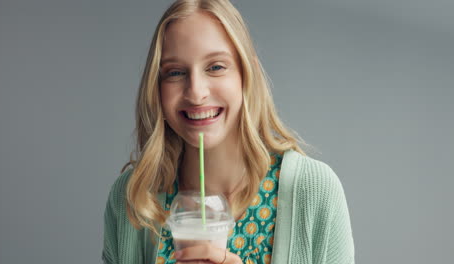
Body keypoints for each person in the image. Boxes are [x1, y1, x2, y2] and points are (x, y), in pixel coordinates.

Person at [102, 0, 354, 263]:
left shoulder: (312, 190)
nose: (196, 93)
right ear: (157, 86)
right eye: (175, 72)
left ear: (247, 75)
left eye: (216, 67)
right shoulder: (133, 198)